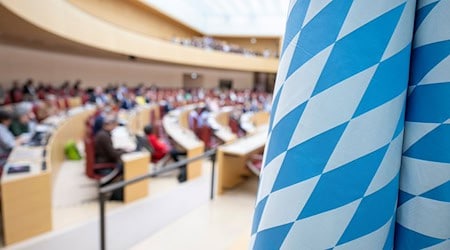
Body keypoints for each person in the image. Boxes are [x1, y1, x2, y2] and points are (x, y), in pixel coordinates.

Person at [94, 115, 125, 200]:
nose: (114, 127)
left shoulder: (102, 134)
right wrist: (124, 151)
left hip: (104, 160)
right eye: (113, 125)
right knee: (124, 166)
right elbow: (112, 154)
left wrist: (120, 150)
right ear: (108, 125)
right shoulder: (104, 136)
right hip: (104, 164)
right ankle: (111, 190)